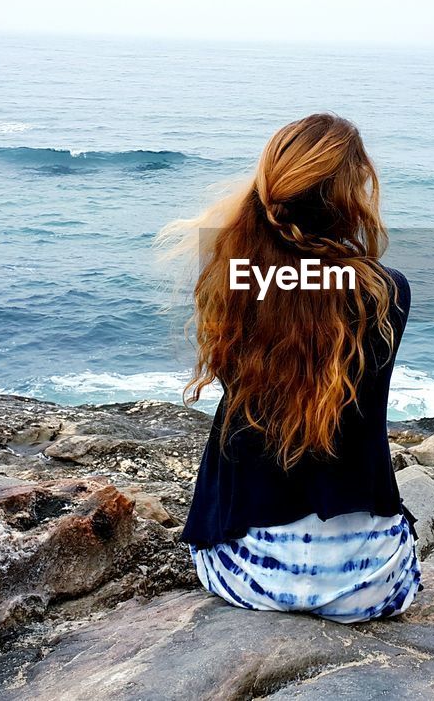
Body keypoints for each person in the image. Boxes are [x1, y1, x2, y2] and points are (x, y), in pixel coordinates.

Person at [165, 112, 420, 623]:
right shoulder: (384, 292)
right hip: (365, 583)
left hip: (246, 570)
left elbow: (286, 280)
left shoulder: (230, 280)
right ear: (352, 196)